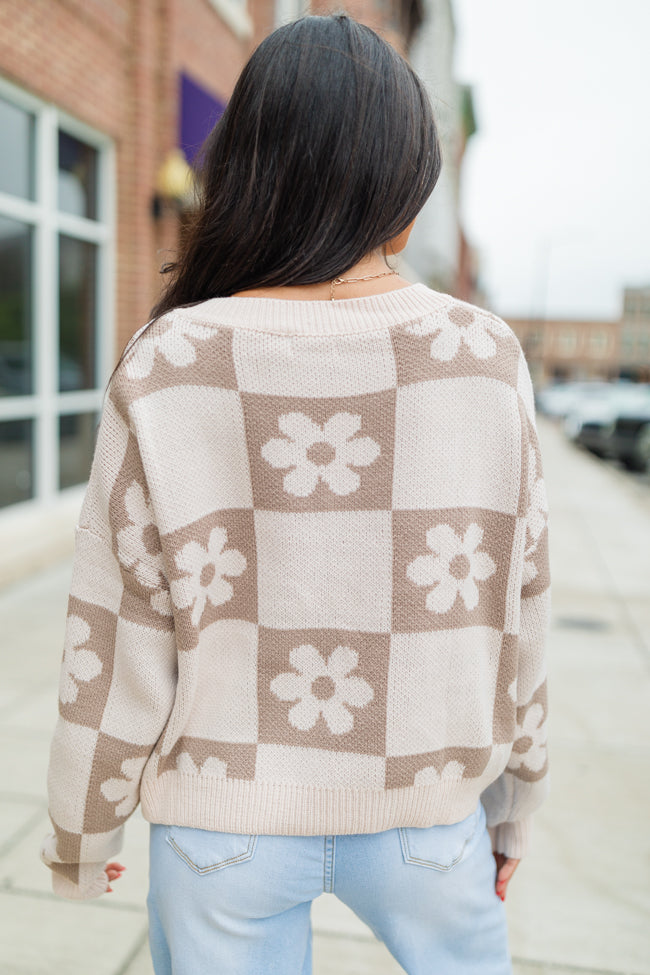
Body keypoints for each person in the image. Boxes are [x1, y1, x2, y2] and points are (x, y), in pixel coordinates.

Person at [40, 14, 551, 975]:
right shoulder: (484, 357)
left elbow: (112, 630)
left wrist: (84, 826)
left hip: (219, 825)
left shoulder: (172, 359)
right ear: (405, 184)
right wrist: (518, 798)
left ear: (247, 170)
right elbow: (518, 602)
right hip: (427, 812)